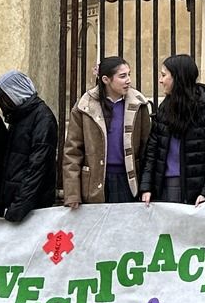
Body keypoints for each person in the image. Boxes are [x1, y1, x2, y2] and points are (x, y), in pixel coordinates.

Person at [63, 55, 149, 209]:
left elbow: (147, 149)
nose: (128, 80)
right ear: (105, 79)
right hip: (94, 183)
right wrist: (72, 193)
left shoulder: (138, 105)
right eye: (122, 76)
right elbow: (72, 152)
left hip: (129, 181)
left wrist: (147, 186)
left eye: (129, 75)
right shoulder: (84, 106)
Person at [140, 55, 205, 205]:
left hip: (197, 190)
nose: (160, 80)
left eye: (163, 75)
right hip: (164, 185)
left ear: (178, 78)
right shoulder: (163, 108)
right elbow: (152, 151)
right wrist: (146, 186)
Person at [0, 71, 62, 223]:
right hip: (13, 201)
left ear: (14, 95)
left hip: (32, 207)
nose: (1, 105)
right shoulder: (19, 116)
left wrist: (18, 207)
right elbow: (11, 154)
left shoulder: (43, 119)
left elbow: (37, 168)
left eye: (3, 99)